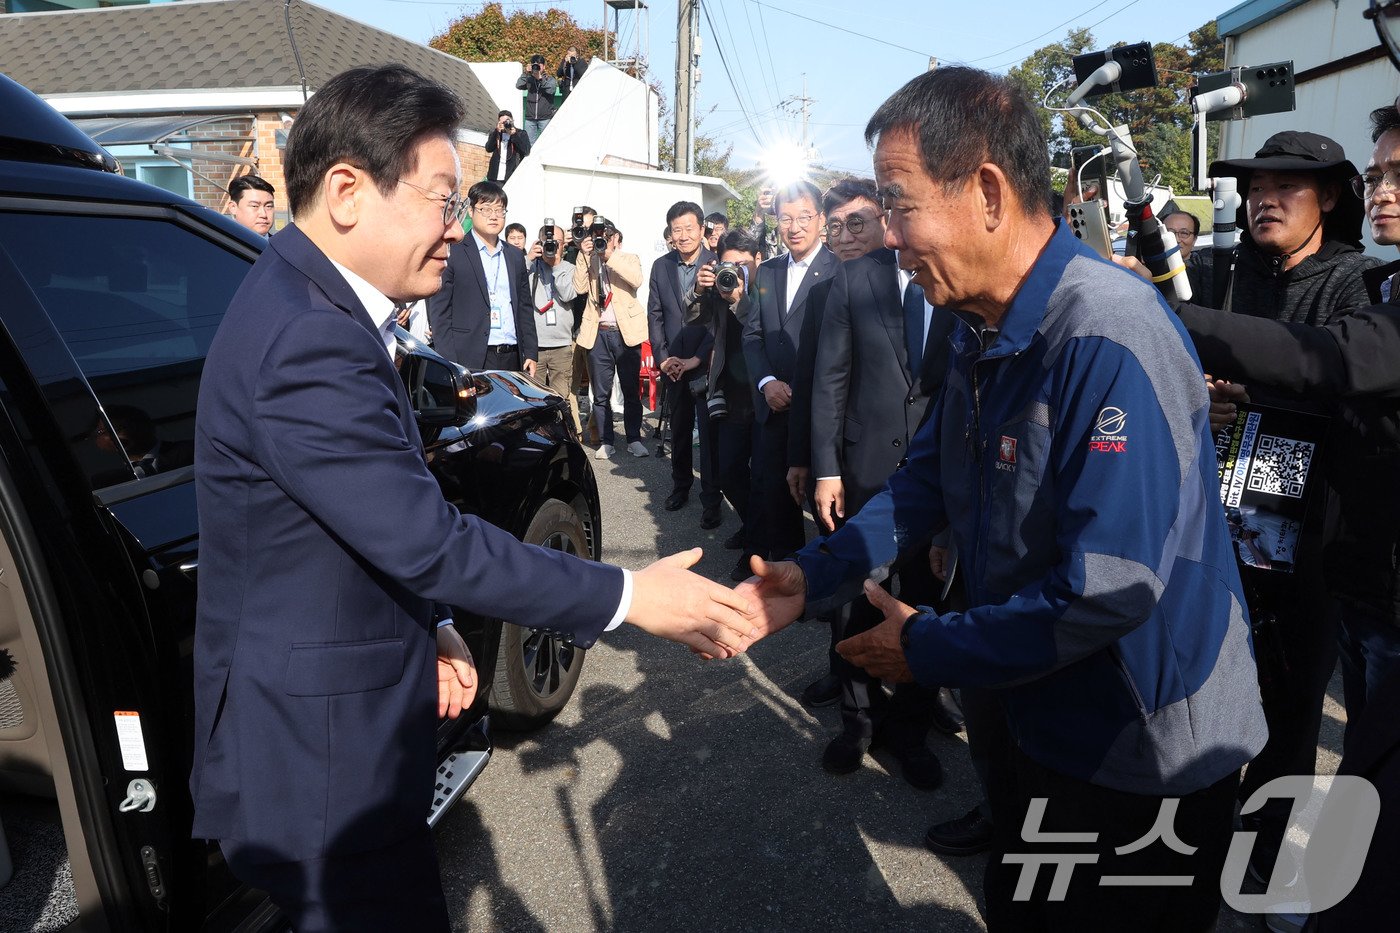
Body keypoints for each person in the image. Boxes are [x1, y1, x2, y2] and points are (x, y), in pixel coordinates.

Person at [190, 64, 755, 932]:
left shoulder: (313, 306)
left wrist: (433, 623)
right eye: (442, 200)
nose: (457, 229)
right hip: (325, 767)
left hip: (335, 736)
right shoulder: (308, 337)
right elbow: (427, 537)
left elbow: (357, 521)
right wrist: (632, 596)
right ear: (347, 190)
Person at [737, 66, 1265, 930]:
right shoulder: (983, 322)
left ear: (986, 190)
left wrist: (930, 648)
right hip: (1039, 708)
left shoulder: (1106, 332)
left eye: (900, 207)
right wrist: (814, 573)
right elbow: (928, 480)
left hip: (1145, 746)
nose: (893, 243)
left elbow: (1112, 586)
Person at [1172, 130, 1380, 881]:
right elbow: (1174, 351)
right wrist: (1197, 392)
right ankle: (1192, 838)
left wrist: (1248, 393)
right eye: (1255, 187)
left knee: (1291, 712)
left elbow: (1340, 383)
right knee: (1204, 690)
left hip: (1310, 543)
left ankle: (1258, 861)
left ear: (1328, 196)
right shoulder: (1215, 270)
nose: (1264, 199)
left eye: (1286, 188)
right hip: (1210, 530)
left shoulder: (1359, 283)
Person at [801, 176, 955, 789]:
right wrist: (826, 469)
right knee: (852, 601)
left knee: (922, 601)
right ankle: (858, 721)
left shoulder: (948, 276)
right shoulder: (852, 282)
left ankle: (909, 730)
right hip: (862, 471)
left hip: (936, 478)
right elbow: (828, 380)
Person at [787, 177, 882, 707]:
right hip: (838, 462)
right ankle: (841, 669)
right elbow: (811, 383)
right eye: (837, 226)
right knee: (845, 577)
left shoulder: (916, 285)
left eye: (857, 224)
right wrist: (804, 458)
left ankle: (925, 687)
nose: (844, 237)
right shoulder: (824, 293)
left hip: (905, 457)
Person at [742, 180, 837, 561]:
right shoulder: (767, 272)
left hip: (816, 408)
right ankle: (786, 573)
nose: (794, 227)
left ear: (821, 220)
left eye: (803, 217)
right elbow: (753, 336)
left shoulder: (839, 269)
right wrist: (767, 383)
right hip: (774, 406)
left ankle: (829, 583)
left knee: (822, 503)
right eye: (785, 218)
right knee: (774, 495)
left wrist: (797, 388)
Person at [687, 229, 763, 580]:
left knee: (765, 477)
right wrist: (701, 288)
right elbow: (692, 318)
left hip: (765, 393)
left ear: (758, 260)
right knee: (728, 471)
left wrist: (738, 296)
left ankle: (758, 548)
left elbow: (754, 322)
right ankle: (753, 526)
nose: (736, 272)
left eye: (743, 264)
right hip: (730, 392)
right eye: (730, 264)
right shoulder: (720, 285)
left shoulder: (771, 287)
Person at [649, 201, 722, 527]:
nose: (683, 235)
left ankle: (712, 499)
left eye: (689, 228)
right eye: (677, 230)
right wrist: (664, 359)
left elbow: (719, 322)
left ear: (702, 229)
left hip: (707, 364)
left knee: (709, 437)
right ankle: (681, 487)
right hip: (672, 366)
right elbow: (655, 315)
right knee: (678, 432)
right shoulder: (660, 266)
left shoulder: (718, 265)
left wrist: (697, 358)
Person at [427, 180, 537, 375]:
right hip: (469, 355)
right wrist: (448, 359)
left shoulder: (514, 256)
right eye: (486, 209)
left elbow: (524, 308)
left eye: (499, 210)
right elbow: (439, 311)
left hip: (511, 353)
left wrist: (530, 351)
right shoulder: (454, 252)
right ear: (470, 211)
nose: (493, 216)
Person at [575, 220, 649, 459]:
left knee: (630, 390)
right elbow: (579, 287)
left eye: (607, 235)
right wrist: (582, 254)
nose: (602, 239)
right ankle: (607, 441)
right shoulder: (589, 259)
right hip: (598, 333)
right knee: (601, 393)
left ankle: (634, 438)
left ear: (616, 237)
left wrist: (608, 255)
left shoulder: (628, 258)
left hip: (625, 332)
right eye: (598, 235)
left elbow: (635, 280)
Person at [528, 222, 581, 432]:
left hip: (561, 345)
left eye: (557, 243)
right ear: (540, 243)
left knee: (561, 397)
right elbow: (515, 284)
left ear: (563, 246)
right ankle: (538, 435)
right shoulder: (531, 266)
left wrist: (557, 264)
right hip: (535, 346)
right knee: (534, 398)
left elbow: (568, 294)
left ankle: (560, 435)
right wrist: (529, 257)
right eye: (548, 243)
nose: (553, 247)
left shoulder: (570, 268)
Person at [1162, 208, 1213, 305]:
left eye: (1184, 233)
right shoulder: (1150, 270)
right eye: (1169, 233)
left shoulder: (1206, 269)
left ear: (1194, 239)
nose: (1176, 239)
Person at [516, 55, 558, 142]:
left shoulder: (550, 79)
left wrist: (540, 78)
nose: (537, 67)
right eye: (534, 65)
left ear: (544, 66)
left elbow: (551, 90)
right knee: (529, 144)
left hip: (545, 118)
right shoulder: (529, 79)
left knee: (547, 142)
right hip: (530, 118)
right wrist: (525, 73)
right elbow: (519, 85)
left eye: (539, 65)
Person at [485, 110, 530, 183]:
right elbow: (488, 149)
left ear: (512, 121)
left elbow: (526, 151)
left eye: (507, 121)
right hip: (494, 176)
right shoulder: (496, 134)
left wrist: (513, 135)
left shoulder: (521, 133)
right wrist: (497, 132)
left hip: (511, 176)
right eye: (502, 122)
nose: (505, 124)